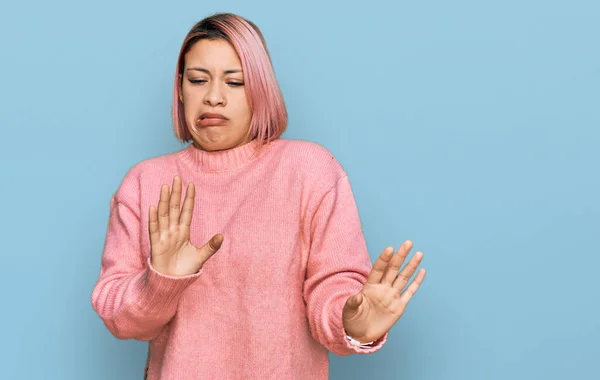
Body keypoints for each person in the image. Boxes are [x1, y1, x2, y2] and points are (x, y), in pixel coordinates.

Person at [90, 12, 427, 380]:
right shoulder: (144, 183)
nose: (214, 97)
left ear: (260, 89)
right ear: (181, 89)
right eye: (198, 79)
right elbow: (117, 316)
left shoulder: (309, 169)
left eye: (234, 82)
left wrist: (354, 322)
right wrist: (160, 283)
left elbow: (332, 289)